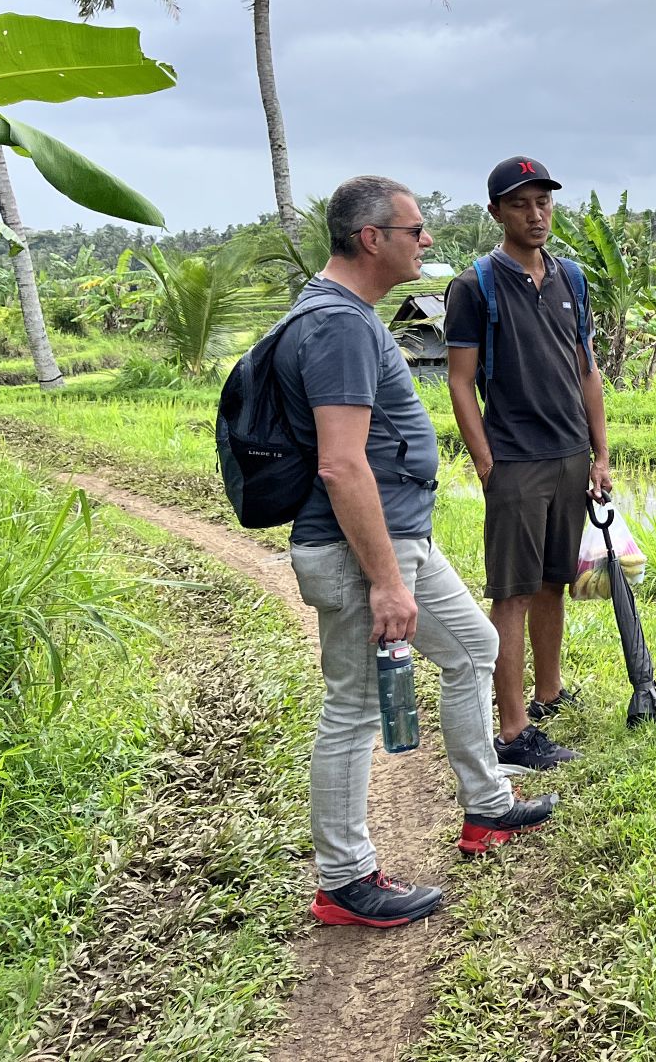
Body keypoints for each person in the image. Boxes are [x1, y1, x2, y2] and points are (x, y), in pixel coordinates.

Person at [277, 176, 555, 929]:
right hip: (364, 550)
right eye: (416, 230)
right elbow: (342, 464)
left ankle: (487, 805)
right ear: (372, 239)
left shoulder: (346, 314)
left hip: (400, 539)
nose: (427, 240)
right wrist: (385, 581)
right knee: (354, 707)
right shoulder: (338, 324)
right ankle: (344, 881)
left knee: (473, 647)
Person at [445, 157, 611, 772]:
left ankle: (549, 692)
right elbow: (460, 382)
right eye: (520, 204)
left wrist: (600, 454)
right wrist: (487, 463)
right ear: (497, 213)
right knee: (512, 593)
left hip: (570, 455)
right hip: (515, 460)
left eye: (543, 201)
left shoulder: (572, 278)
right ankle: (513, 730)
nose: (535, 214)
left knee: (552, 582)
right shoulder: (475, 287)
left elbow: (587, 370)